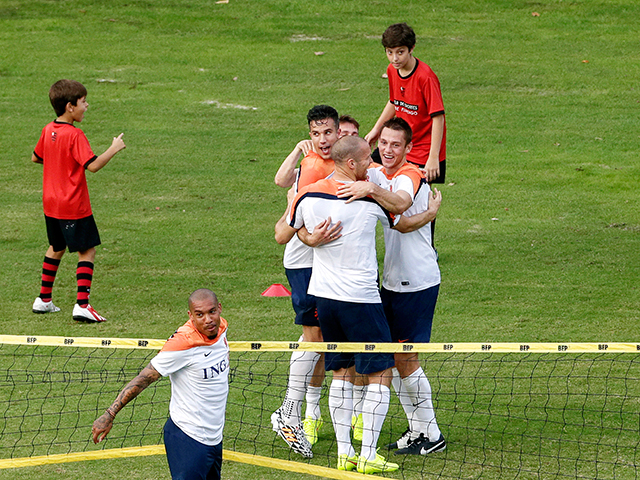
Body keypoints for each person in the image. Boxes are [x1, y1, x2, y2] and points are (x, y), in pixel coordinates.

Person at [276, 136, 409, 475]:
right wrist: (374, 191)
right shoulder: (368, 200)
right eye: (368, 159)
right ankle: (366, 455)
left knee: (342, 372)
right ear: (352, 164)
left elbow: (285, 232)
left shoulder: (308, 193)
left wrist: (308, 237)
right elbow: (402, 209)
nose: (373, 165)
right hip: (361, 299)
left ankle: (343, 454)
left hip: (325, 298)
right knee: (381, 372)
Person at [92, 289, 229, 480]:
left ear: (219, 309)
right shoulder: (182, 345)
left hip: (215, 437)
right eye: (200, 314)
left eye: (212, 311)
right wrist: (110, 414)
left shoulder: (221, 328)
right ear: (191, 316)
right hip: (188, 439)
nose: (208, 319)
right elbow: (142, 379)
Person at [369, 118, 446, 456]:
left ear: (407, 148)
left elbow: (398, 214)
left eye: (395, 145)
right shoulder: (379, 173)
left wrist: (428, 216)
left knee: (405, 357)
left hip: (416, 281)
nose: (387, 149)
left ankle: (431, 434)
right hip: (392, 281)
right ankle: (418, 429)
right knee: (395, 357)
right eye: (384, 143)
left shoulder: (410, 175)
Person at [271, 105, 343, 457]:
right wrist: (308, 237)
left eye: (327, 132)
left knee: (321, 339)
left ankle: (304, 412)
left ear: (339, 131)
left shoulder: (339, 161)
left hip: (325, 262)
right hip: (304, 263)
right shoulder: (312, 166)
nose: (322, 139)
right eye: (316, 134)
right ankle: (289, 411)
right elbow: (289, 223)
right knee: (314, 337)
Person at [31, 79, 126, 322]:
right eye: (83, 102)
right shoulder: (74, 135)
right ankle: (82, 305)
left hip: (50, 203)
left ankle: (43, 300)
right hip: (73, 204)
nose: (87, 106)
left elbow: (36, 158)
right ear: (70, 106)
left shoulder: (47, 129)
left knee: (57, 247)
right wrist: (114, 148)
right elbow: (92, 165)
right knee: (87, 250)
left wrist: (59, 164)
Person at [365, 23, 447, 246]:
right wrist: (376, 130)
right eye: (389, 52)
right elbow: (394, 101)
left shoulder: (426, 77)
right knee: (368, 170)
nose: (394, 58)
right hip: (397, 143)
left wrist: (433, 157)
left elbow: (438, 117)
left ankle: (428, 248)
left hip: (423, 151)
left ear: (411, 49)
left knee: (420, 202)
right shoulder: (392, 71)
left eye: (399, 52)